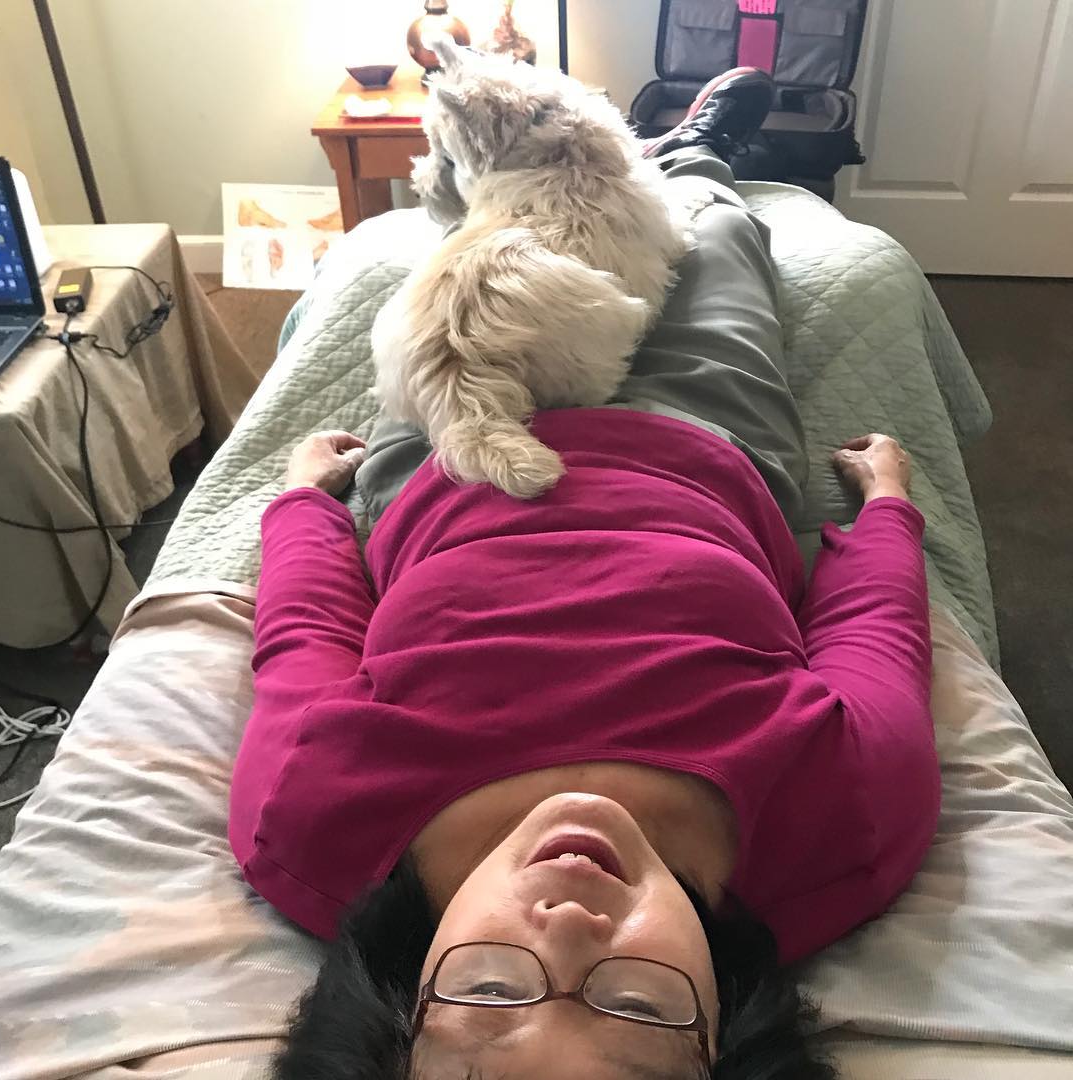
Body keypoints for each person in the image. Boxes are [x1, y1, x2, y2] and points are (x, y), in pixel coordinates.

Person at [228, 67, 940, 1080]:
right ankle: (698, 146)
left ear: (399, 1017)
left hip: (452, 462)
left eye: (489, 991)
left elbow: (306, 637)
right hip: (702, 445)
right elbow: (874, 644)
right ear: (724, 1037)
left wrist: (302, 503)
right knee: (717, 239)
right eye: (637, 1005)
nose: (568, 920)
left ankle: (598, 149)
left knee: (481, 254)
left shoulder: (310, 829)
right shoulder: (842, 834)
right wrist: (888, 509)